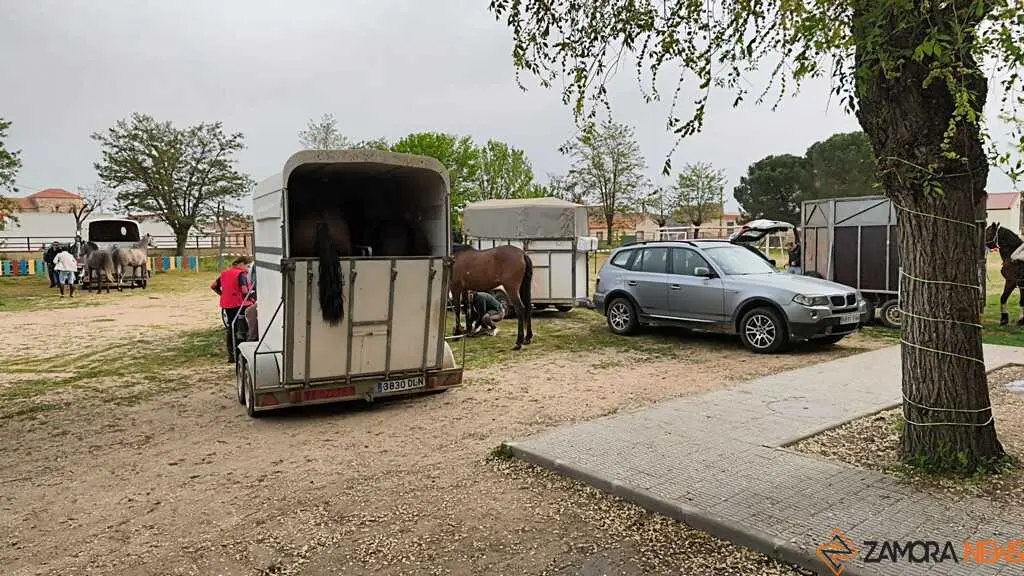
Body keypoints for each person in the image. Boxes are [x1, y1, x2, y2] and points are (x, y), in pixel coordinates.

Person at [211, 256, 252, 363]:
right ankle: (242, 352)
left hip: (227, 304)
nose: (247, 269)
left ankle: (231, 354)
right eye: (247, 266)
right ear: (241, 264)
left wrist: (222, 294)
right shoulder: (240, 274)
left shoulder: (224, 273)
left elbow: (213, 285)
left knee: (231, 327)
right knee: (243, 328)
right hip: (240, 304)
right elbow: (244, 290)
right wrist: (252, 296)